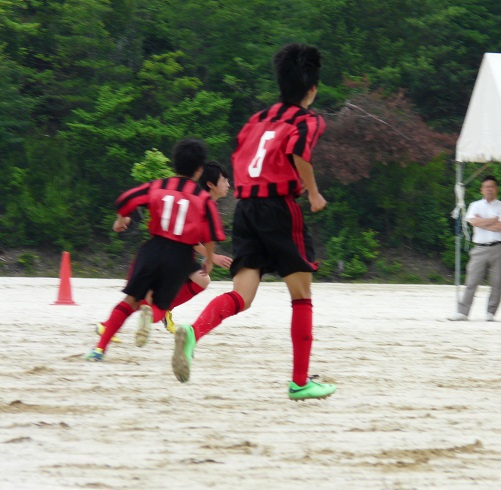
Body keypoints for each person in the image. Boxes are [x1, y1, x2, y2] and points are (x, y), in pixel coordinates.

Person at [169, 43, 336, 401]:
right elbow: (297, 152)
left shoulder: (257, 120)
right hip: (279, 209)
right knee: (302, 296)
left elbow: (240, 151)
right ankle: (300, 382)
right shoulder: (308, 119)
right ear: (312, 88)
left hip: (246, 209)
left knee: (241, 296)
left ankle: (194, 333)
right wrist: (313, 192)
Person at [85, 138, 225, 361]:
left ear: (174, 163)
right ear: (199, 169)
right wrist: (209, 258)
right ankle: (149, 315)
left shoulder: (159, 185)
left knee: (129, 300)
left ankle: (99, 349)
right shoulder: (203, 198)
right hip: (179, 256)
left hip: (153, 248)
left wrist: (121, 219)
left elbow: (126, 199)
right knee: (161, 304)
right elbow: (212, 233)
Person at [159, 162, 233, 334]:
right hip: (169, 252)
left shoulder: (206, 203)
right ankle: (108, 325)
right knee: (141, 300)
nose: (228, 185)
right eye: (224, 180)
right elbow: (190, 239)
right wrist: (212, 257)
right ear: (210, 184)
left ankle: (164, 308)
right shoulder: (201, 204)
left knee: (202, 279)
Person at [449, 175, 501, 321]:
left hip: (499, 247)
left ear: (496, 189)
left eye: (492, 186)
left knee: (497, 282)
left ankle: (490, 312)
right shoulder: (475, 205)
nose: (489, 189)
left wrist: (483, 222)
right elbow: (473, 221)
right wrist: (492, 220)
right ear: (481, 190)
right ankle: (463, 312)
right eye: (486, 187)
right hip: (480, 248)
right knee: (472, 280)